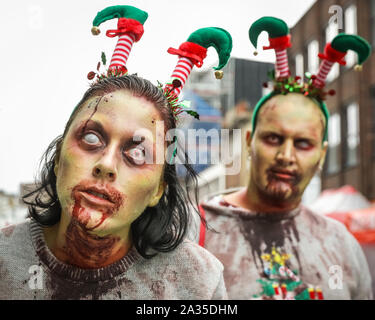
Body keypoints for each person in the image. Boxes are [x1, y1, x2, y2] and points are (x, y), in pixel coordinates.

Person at [0, 5, 230, 300]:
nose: (106, 165)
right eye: (92, 138)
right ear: (58, 158)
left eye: (137, 154)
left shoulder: (197, 283)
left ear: (158, 189)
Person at [194, 17, 373, 300]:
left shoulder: (341, 244)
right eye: (274, 138)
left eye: (303, 143)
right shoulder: (195, 231)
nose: (286, 156)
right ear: (250, 141)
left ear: (322, 154)